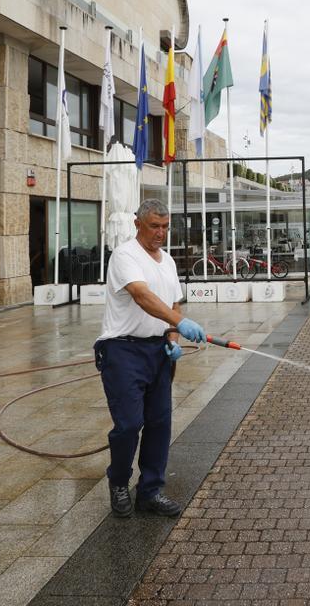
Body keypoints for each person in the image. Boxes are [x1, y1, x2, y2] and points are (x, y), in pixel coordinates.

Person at [94, 199, 207, 518]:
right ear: (137, 224)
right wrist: (179, 322)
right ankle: (118, 481)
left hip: (158, 350)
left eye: (165, 227)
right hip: (122, 350)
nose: (160, 233)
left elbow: (174, 305)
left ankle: (150, 491)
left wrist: (173, 337)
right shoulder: (125, 255)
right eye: (154, 226)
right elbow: (142, 296)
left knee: (159, 423)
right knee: (129, 424)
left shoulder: (168, 261)